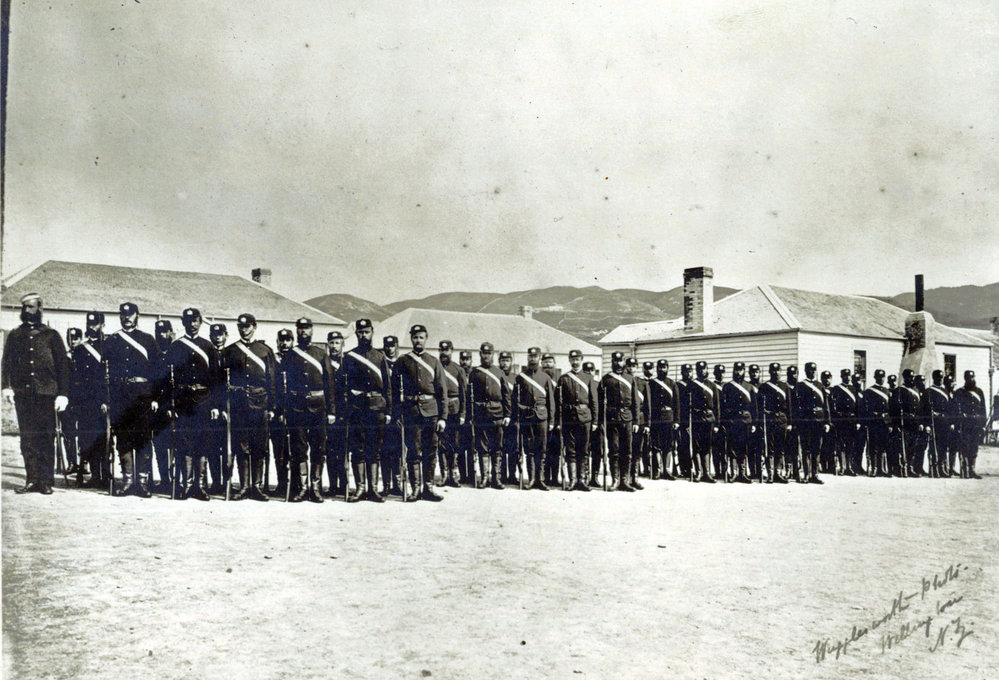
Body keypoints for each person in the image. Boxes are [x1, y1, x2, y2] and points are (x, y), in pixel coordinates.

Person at [2, 293, 71, 494]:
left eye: (31, 307)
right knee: (28, 438)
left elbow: (63, 366)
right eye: (24, 307)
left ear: (40, 308)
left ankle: (46, 481)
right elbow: (6, 363)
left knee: (46, 437)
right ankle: (32, 479)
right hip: (23, 394)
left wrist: (63, 394)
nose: (27, 311)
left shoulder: (52, 335)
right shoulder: (15, 335)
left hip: (46, 394)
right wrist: (6, 386)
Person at [104, 302, 160, 497]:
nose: (126, 317)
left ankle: (142, 482)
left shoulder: (147, 340)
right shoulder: (112, 341)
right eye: (123, 314)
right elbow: (105, 371)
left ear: (137, 315)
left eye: (130, 314)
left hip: (143, 396)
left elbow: (157, 371)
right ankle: (127, 481)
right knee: (124, 438)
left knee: (143, 438)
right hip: (120, 396)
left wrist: (155, 397)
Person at [165, 308, 221, 500]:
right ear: (183, 322)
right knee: (185, 442)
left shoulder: (208, 347)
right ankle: (187, 485)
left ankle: (201, 486)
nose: (192, 324)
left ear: (200, 322)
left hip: (204, 400)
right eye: (188, 321)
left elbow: (216, 379)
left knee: (203, 442)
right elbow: (168, 378)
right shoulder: (176, 347)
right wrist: (170, 405)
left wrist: (215, 405)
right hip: (183, 401)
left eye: (195, 320)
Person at [220, 313, 276, 501]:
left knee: (259, 445)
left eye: (247, 326)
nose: (243, 330)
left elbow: (272, 380)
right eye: (240, 326)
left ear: (254, 326)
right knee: (241, 445)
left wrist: (272, 407)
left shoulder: (265, 351)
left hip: (260, 403)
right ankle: (244, 487)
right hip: (238, 404)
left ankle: (257, 487)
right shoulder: (230, 351)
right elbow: (221, 381)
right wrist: (223, 405)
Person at [337, 319, 393, 502]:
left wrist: (389, 411)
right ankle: (360, 488)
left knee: (374, 449)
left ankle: (373, 489)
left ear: (372, 332)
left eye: (366, 332)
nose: (363, 335)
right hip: (357, 409)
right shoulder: (349, 357)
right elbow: (341, 385)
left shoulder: (380, 357)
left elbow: (388, 387)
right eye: (360, 332)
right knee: (358, 449)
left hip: (377, 408)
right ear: (356, 334)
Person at [392, 324, 447, 501]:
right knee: (413, 450)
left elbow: (442, 391)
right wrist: (397, 414)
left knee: (431, 451)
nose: (418, 340)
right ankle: (415, 488)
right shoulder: (402, 361)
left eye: (421, 337)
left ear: (426, 338)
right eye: (415, 337)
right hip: (411, 411)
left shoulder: (434, 362)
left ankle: (428, 488)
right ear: (411, 339)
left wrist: (443, 417)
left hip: (431, 412)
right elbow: (394, 391)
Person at [282, 318, 332, 503]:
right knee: (299, 448)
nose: (304, 332)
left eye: (307, 328)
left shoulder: (321, 354)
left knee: (318, 448)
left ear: (312, 330)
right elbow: (283, 384)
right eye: (301, 328)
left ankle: (316, 488)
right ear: (297, 331)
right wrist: (284, 409)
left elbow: (329, 384)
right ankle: (302, 488)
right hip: (296, 408)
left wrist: (331, 411)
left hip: (318, 407)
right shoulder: (290, 355)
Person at [69, 312, 107, 488]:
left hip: (103, 400)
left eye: (95, 324)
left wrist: (106, 400)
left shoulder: (109, 346)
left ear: (102, 325)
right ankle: (95, 475)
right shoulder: (79, 350)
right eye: (89, 324)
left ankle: (106, 475)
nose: (92, 327)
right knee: (87, 438)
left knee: (104, 439)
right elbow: (75, 378)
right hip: (85, 401)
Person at [467, 342, 511, 488]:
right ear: (480, 354)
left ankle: (496, 478)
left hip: (497, 414)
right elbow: (469, 396)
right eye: (484, 353)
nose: (486, 356)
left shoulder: (499, 373)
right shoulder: (474, 373)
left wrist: (507, 415)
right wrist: (471, 416)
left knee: (497, 447)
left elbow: (506, 395)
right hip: (481, 415)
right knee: (482, 447)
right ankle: (485, 478)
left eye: (489, 353)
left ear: (493, 354)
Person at [514, 347, 556, 490]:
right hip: (527, 417)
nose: (533, 359)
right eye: (530, 356)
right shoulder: (521, 377)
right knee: (529, 448)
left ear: (539, 358)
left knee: (542, 449)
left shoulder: (545, 378)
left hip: (542, 417)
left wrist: (551, 421)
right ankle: (532, 479)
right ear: (528, 357)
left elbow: (551, 401)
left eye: (535, 356)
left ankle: (541, 479)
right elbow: (515, 399)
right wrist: (519, 414)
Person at [555, 349, 597, 491]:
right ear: (569, 360)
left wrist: (595, 421)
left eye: (577, 359)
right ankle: (572, 480)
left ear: (581, 360)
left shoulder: (588, 378)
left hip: (585, 418)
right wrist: (558, 421)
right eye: (572, 359)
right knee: (570, 449)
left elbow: (594, 401)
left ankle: (582, 480)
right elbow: (558, 401)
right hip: (569, 418)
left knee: (584, 449)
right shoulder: (563, 378)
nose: (575, 362)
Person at [598, 351, 639, 491]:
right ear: (612, 362)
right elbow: (600, 402)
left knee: (627, 450)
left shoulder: (630, 379)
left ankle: (624, 481)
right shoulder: (605, 379)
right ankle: (615, 480)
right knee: (614, 450)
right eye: (615, 361)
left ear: (623, 361)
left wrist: (636, 421)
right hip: (612, 419)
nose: (618, 363)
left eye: (620, 360)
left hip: (627, 418)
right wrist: (601, 421)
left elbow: (635, 402)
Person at [149, 320, 175, 493]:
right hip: (158, 406)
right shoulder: (153, 354)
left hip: (175, 405)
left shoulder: (177, 351)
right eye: (159, 332)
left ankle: (175, 479)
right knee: (159, 444)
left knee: (175, 444)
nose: (162, 335)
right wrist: (154, 399)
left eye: (165, 332)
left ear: (171, 333)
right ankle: (164, 479)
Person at [793, 362, 829, 484]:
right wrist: (797, 422)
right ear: (805, 371)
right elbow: (796, 406)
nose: (812, 372)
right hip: (805, 421)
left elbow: (825, 405)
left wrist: (827, 422)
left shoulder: (820, 386)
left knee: (816, 448)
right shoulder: (800, 386)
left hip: (818, 422)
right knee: (806, 449)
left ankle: (815, 474)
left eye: (814, 370)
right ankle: (807, 474)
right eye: (810, 370)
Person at [322, 331, 348, 497]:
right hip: (329, 412)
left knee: (343, 450)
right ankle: (332, 485)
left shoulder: (348, 363)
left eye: (337, 342)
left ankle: (344, 485)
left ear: (342, 344)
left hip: (345, 412)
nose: (334, 346)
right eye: (331, 343)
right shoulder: (324, 362)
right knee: (330, 450)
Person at [437, 340, 466, 488]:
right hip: (439, 410)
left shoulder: (458, 370)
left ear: (451, 351)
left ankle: (454, 475)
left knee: (454, 443)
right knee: (441, 443)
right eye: (441, 350)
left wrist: (462, 414)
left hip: (454, 410)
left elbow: (463, 394)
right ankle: (444, 474)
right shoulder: (435, 367)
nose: (444, 353)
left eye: (447, 350)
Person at [721, 361, 755, 483]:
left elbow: (754, 407)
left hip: (746, 421)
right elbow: (723, 406)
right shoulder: (727, 386)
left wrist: (754, 423)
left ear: (744, 371)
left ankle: (743, 473)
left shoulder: (749, 387)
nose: (738, 372)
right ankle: (734, 472)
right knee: (732, 447)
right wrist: (724, 422)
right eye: (736, 370)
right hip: (733, 421)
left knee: (744, 446)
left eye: (741, 370)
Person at [271, 329, 294, 497]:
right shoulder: (273, 360)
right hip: (278, 412)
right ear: (277, 342)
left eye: (288, 340)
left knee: (295, 449)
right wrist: (277, 410)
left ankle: (295, 484)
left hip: (295, 412)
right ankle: (282, 482)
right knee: (279, 450)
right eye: (282, 340)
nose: (284, 343)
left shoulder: (297, 359)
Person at [759, 363, 791, 483]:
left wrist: (789, 422)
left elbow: (789, 406)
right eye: (773, 370)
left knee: (781, 446)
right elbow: (760, 405)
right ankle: (770, 473)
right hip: (770, 419)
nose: (776, 373)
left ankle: (778, 472)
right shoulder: (764, 386)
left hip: (782, 419)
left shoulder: (785, 386)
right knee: (770, 447)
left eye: (778, 370)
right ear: (769, 372)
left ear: (781, 372)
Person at [648, 359, 679, 481]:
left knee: (668, 445)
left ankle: (667, 471)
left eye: (664, 367)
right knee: (656, 445)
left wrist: (676, 421)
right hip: (656, 418)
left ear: (667, 368)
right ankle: (657, 470)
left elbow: (677, 404)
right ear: (657, 369)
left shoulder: (672, 384)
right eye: (660, 367)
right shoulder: (651, 383)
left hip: (669, 418)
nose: (662, 369)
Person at [207, 323, 230, 494]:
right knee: (213, 448)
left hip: (229, 408)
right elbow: (210, 385)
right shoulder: (208, 354)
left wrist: (227, 408)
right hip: (212, 408)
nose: (217, 338)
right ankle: (216, 482)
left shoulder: (231, 354)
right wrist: (214, 406)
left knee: (228, 447)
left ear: (226, 335)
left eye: (220, 334)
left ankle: (227, 481)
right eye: (214, 335)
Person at [381, 336, 403, 496]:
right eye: (387, 346)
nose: (390, 349)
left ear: (396, 346)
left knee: (398, 450)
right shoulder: (381, 363)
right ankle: (386, 484)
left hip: (399, 412)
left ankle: (397, 483)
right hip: (384, 412)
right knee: (384, 449)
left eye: (392, 346)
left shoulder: (401, 364)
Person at [952, 370, 986, 479]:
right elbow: (954, 410)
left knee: (974, 447)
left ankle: (972, 470)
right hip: (964, 425)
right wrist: (957, 422)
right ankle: (965, 470)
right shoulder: (959, 392)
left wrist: (983, 425)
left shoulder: (979, 392)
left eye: (972, 377)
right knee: (964, 447)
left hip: (976, 425)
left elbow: (983, 410)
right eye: (968, 378)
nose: (971, 379)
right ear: (965, 378)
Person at [921, 369, 953, 478]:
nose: (940, 380)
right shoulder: (928, 392)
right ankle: (933, 469)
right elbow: (923, 410)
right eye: (938, 378)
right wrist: (927, 424)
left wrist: (951, 422)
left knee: (943, 446)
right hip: (933, 423)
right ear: (934, 378)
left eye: (941, 378)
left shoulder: (945, 392)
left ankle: (942, 468)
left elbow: (950, 409)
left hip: (944, 423)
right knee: (933, 447)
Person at [890, 369, 922, 477]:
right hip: (904, 422)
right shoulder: (899, 391)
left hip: (914, 422)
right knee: (902, 445)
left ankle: (910, 467)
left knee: (913, 446)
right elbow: (893, 409)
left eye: (913, 377)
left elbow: (919, 409)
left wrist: (920, 422)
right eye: (910, 377)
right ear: (905, 378)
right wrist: (896, 424)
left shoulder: (916, 391)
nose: (912, 379)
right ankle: (900, 467)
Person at [829, 369, 861, 476]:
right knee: (840, 444)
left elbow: (857, 406)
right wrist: (834, 419)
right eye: (845, 375)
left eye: (848, 375)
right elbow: (832, 406)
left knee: (850, 444)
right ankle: (842, 467)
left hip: (851, 420)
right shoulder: (836, 389)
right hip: (841, 420)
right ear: (841, 377)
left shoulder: (854, 389)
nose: (847, 377)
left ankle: (849, 467)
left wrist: (857, 421)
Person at [861, 369, 891, 477]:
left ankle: (882, 468)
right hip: (874, 422)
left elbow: (889, 409)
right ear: (875, 378)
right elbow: (864, 408)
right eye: (879, 377)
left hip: (884, 422)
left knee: (883, 445)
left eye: (882, 377)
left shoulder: (887, 391)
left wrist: (890, 423)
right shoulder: (869, 391)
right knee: (873, 445)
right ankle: (874, 468)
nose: (881, 379)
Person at [498, 351, 519, 484]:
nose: (505, 363)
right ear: (499, 362)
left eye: (507, 360)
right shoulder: (496, 376)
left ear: (511, 362)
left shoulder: (516, 378)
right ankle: (501, 475)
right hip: (500, 416)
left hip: (513, 418)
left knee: (513, 448)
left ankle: (512, 475)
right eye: (502, 360)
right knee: (500, 447)